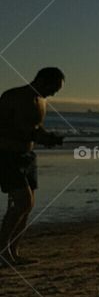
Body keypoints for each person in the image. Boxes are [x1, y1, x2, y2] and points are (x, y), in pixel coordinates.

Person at [0, 67, 64, 265]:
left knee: (27, 206)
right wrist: (33, 135)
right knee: (22, 202)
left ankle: (13, 251)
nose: (53, 93)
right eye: (53, 87)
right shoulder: (14, 96)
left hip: (27, 155)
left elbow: (35, 127)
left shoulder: (42, 102)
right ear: (42, 80)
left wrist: (46, 137)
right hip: (7, 154)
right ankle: (2, 250)